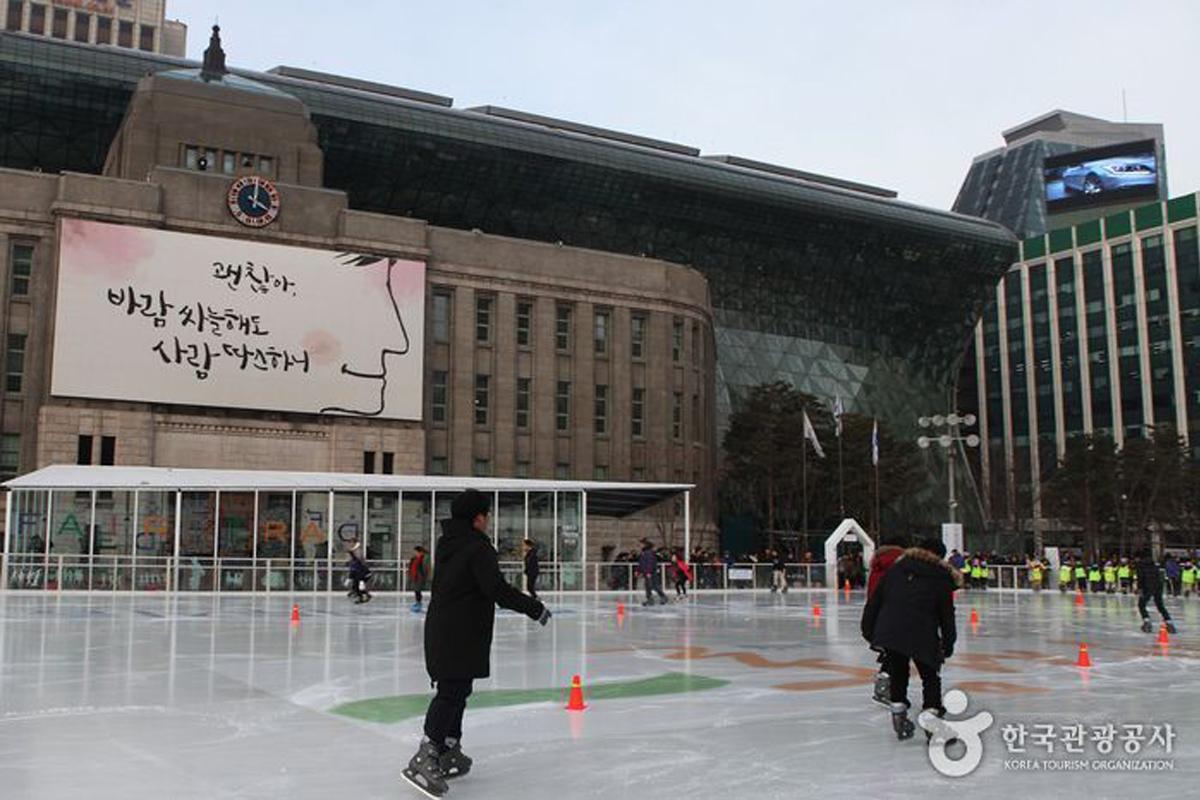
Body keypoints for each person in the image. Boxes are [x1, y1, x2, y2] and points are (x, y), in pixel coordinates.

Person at [402, 489, 550, 798]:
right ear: (478, 517)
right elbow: (496, 589)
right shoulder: (477, 548)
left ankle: (448, 749)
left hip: (448, 628)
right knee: (451, 691)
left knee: (458, 689)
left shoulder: (448, 544)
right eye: (487, 515)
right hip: (460, 632)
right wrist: (534, 607)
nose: (488, 520)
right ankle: (426, 754)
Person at [861, 538, 959, 741]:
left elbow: (875, 601)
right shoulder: (940, 575)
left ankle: (899, 715)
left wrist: (870, 630)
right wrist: (948, 643)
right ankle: (931, 719)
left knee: (898, 672)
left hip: (891, 630)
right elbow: (946, 614)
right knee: (930, 677)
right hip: (923, 632)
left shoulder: (897, 569)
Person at [866, 534, 910, 706]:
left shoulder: (877, 562)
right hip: (894, 611)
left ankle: (886, 685)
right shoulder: (900, 563)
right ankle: (885, 687)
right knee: (897, 652)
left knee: (891, 651)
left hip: (876, 612)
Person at [1134, 549, 1176, 635]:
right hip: (1158, 586)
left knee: (1141, 604)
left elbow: (1140, 577)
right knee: (1160, 605)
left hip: (1147, 586)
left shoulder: (1140, 565)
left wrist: (1140, 588)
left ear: (1138, 558)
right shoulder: (1153, 564)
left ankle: (1147, 622)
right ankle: (1169, 623)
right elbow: (1159, 575)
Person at [639, 539, 669, 606]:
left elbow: (650, 563)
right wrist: (639, 571)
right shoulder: (643, 553)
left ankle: (663, 597)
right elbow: (642, 563)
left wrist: (648, 572)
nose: (639, 546)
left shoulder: (649, 553)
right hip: (647, 572)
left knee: (654, 585)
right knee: (648, 586)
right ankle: (650, 599)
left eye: (641, 544)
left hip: (651, 572)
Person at [345, 537, 372, 604]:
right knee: (356, 586)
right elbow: (353, 563)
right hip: (357, 571)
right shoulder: (352, 551)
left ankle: (365, 596)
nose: (350, 544)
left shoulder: (357, 550)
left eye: (351, 542)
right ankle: (362, 596)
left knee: (359, 586)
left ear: (354, 543)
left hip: (362, 572)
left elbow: (359, 560)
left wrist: (352, 554)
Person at [408, 545, 429, 613]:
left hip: (419, 577)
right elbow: (412, 566)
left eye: (416, 552)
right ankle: (417, 603)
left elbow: (425, 568)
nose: (414, 553)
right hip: (415, 577)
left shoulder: (424, 558)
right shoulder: (415, 558)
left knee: (418, 590)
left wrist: (425, 577)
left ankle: (419, 603)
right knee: (416, 590)